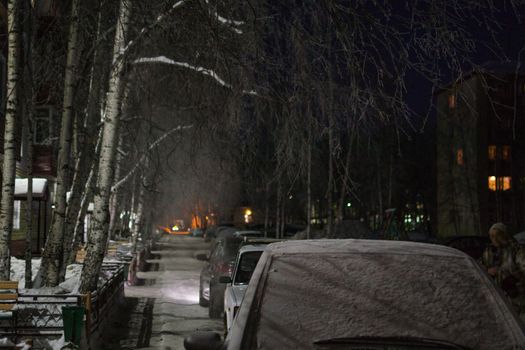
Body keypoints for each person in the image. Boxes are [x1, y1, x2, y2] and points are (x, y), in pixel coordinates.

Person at [481, 223, 523, 299]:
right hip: (495, 293)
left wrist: (510, 274)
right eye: (492, 236)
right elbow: (479, 266)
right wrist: (487, 270)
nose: (495, 239)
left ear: (505, 235)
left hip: (515, 293)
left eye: (498, 235)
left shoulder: (516, 249)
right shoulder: (488, 251)